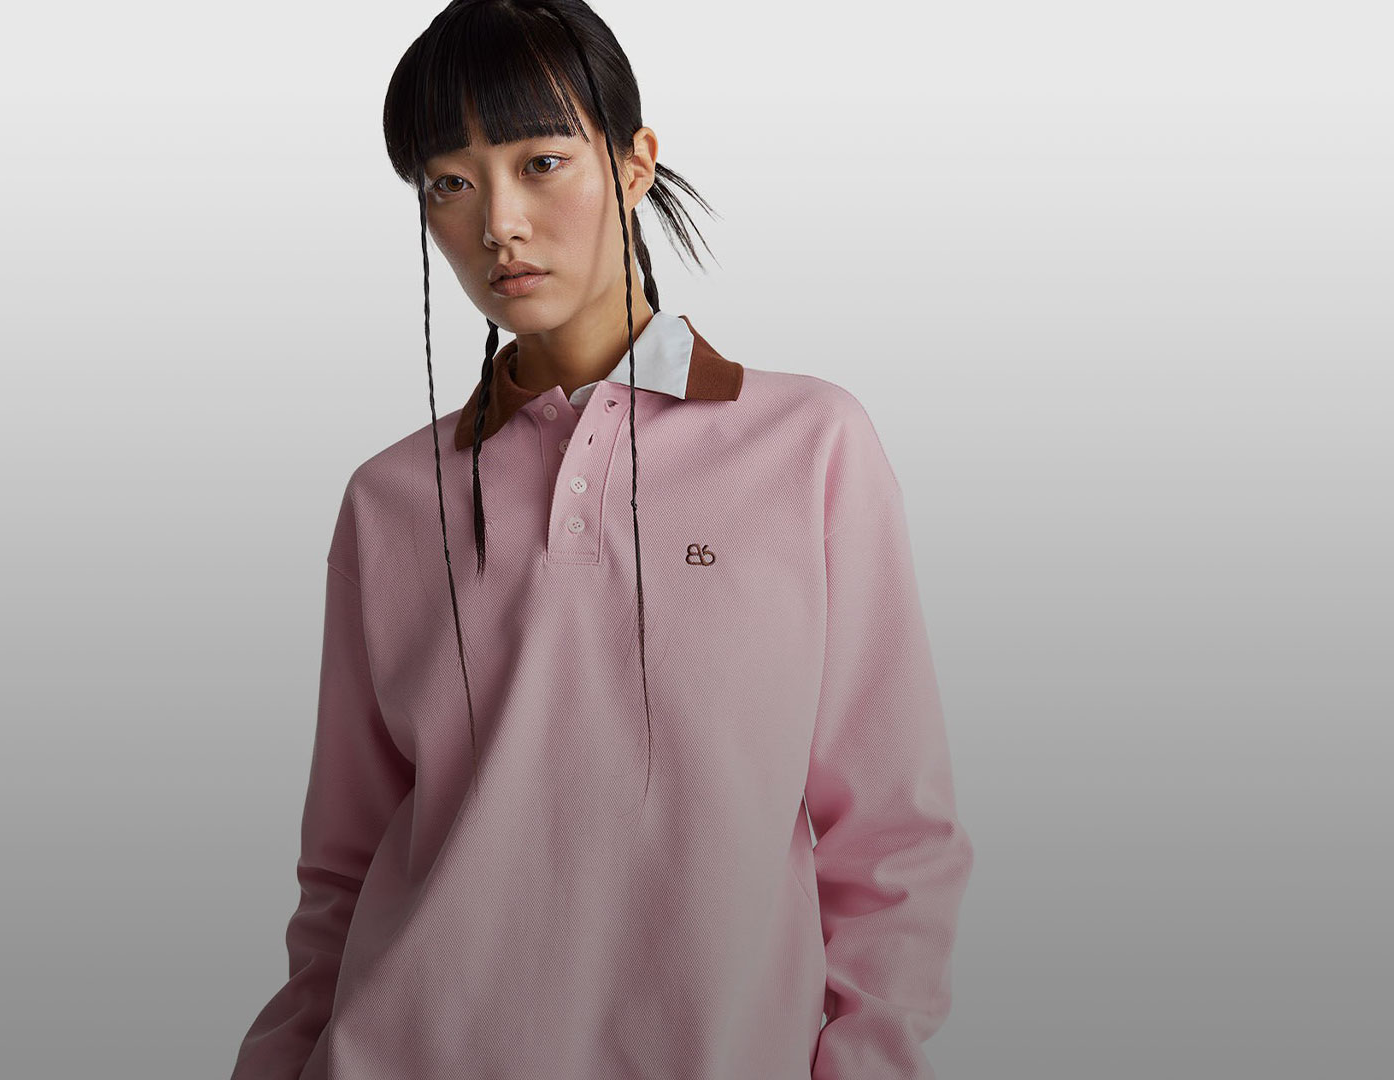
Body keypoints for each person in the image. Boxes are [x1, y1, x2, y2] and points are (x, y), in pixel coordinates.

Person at [230, 2, 974, 1078]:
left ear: (634, 164)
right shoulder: (388, 500)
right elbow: (340, 873)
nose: (499, 223)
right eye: (448, 183)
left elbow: (893, 838)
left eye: (541, 162)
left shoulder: (810, 446)